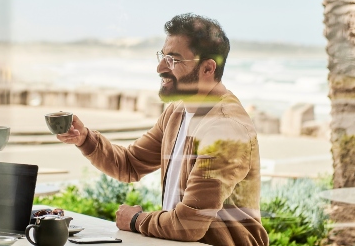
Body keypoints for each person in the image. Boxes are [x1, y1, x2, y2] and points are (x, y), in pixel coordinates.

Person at [57, 14, 268, 246]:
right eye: (163, 56)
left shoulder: (226, 129)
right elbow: (129, 164)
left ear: (208, 68)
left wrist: (135, 220)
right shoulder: (176, 112)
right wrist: (85, 139)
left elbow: (188, 224)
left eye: (174, 60)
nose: (160, 68)